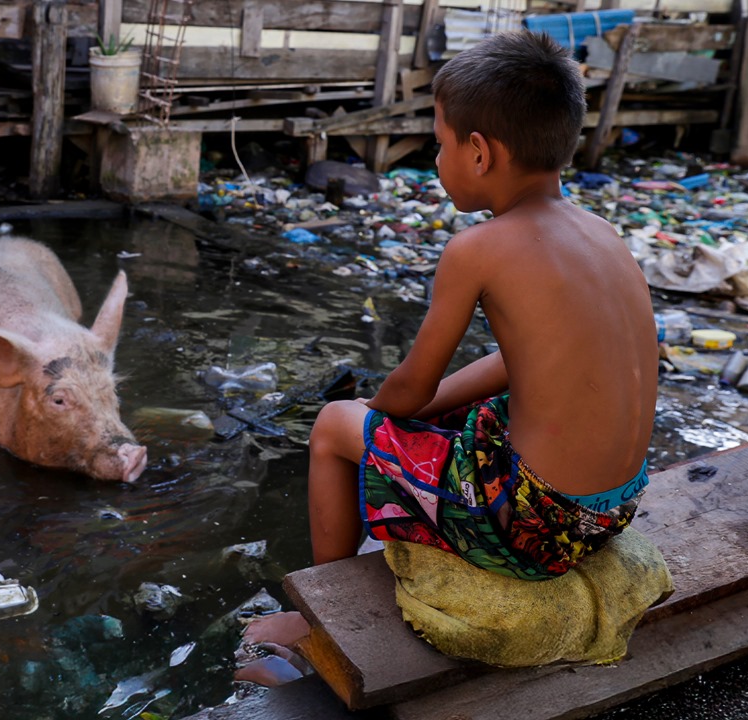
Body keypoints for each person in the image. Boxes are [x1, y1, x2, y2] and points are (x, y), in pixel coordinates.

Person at [240, 30, 659, 661]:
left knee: (333, 426)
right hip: (607, 512)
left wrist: (382, 412)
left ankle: (325, 622)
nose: (435, 162)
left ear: (480, 152)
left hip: (531, 528)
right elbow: (526, 365)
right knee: (457, 417)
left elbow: (408, 390)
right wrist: (427, 411)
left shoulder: (477, 249)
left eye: (439, 146)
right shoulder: (601, 234)